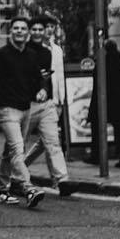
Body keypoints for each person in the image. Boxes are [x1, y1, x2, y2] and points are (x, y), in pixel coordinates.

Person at [0, 17, 47, 209]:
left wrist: (41, 89)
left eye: (23, 28)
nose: (19, 31)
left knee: (10, 151)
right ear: (11, 31)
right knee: (17, 149)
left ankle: (1, 190)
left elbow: (38, 79)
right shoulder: (0, 55)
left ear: (27, 32)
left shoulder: (31, 55)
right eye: (16, 28)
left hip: (25, 109)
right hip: (6, 109)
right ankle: (28, 188)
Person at [21, 16, 73, 195]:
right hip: (26, 103)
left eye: (48, 28)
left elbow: (56, 76)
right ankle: (15, 173)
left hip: (49, 102)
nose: (45, 31)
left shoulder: (53, 51)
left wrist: (60, 99)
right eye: (35, 29)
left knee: (52, 141)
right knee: (18, 144)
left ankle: (61, 180)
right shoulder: (24, 49)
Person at [87, 39, 120, 168]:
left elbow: (98, 85)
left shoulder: (103, 63)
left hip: (104, 101)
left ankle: (96, 155)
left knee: (97, 127)